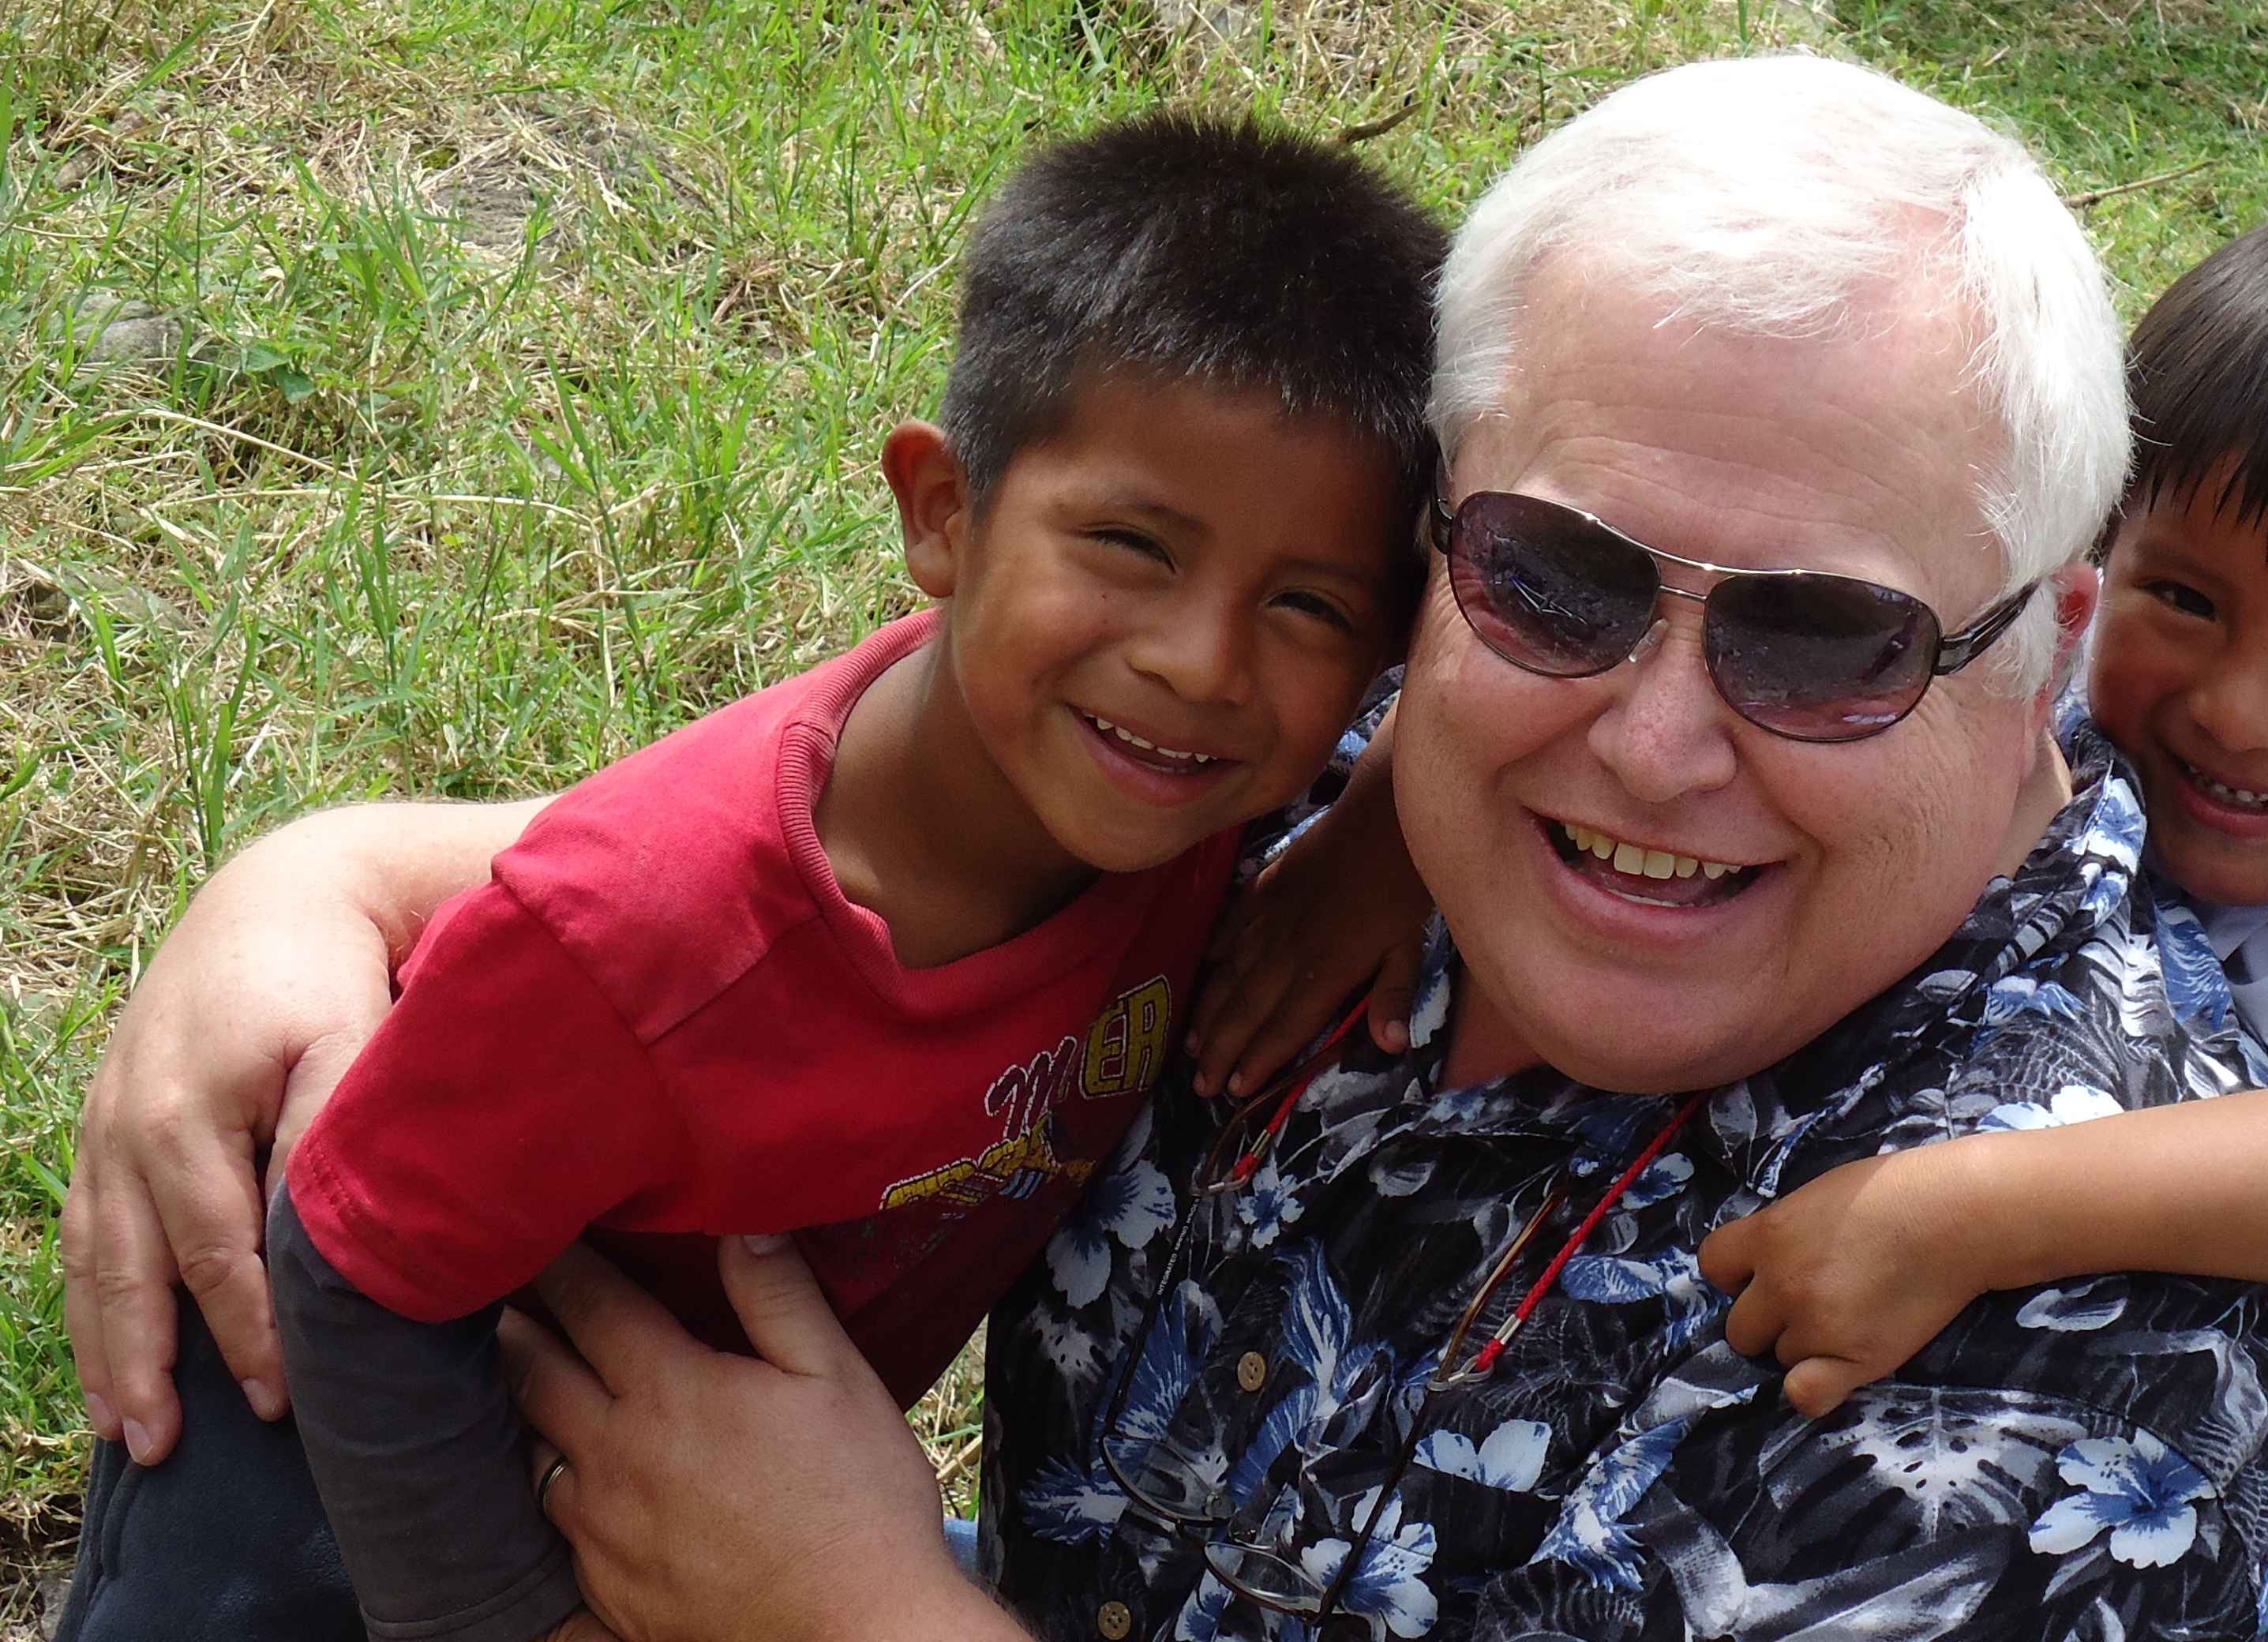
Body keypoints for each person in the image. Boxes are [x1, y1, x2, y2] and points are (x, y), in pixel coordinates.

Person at [59, 57, 2268, 1642]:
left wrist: (868, 1617)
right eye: (1555, 575)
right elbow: (768, 883)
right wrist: (313, 882)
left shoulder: (2103, 1380)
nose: (1650, 741)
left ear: (2051, 650)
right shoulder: (1325, 756)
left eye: (1824, 640)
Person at [1208, 209, 2268, 1642]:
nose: (2235, 706)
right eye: (2185, 599)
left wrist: (1958, 1211)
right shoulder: (2068, 665)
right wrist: (1386, 832)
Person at [51, 114, 1446, 1642]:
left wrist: (1385, 828)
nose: (1203, 663)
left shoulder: (1188, 804)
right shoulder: (651, 930)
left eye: (1308, 606)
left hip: (674, 1504)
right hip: (315, 1464)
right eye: (1130, 544)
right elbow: (346, 1267)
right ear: (944, 514)